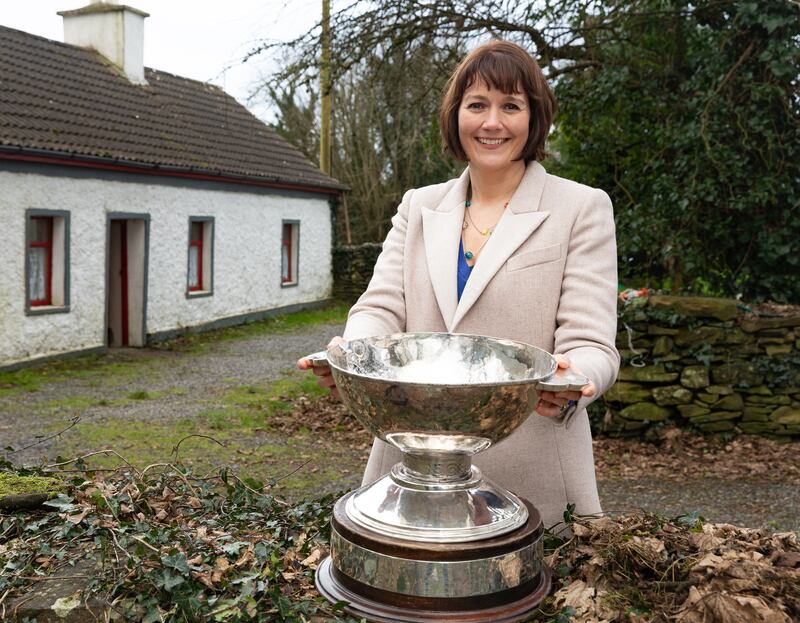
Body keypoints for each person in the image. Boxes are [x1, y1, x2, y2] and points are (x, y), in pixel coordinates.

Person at [298, 40, 619, 529]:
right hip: (409, 476)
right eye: (477, 105)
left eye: (511, 106)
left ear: (535, 118)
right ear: (456, 116)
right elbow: (381, 307)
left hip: (534, 474)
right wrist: (352, 357)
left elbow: (593, 343)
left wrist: (574, 379)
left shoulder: (581, 207)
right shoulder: (418, 205)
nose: (492, 122)